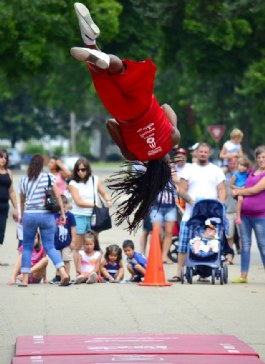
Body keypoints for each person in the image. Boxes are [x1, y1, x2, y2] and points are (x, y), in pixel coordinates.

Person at [70, 2, 180, 232]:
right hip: (123, 114)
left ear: (166, 165)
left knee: (120, 68)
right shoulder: (133, 155)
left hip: (144, 105)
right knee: (101, 76)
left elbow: (168, 107)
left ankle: (105, 58)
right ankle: (92, 49)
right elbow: (110, 124)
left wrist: (166, 124)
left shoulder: (172, 141)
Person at [169, 143, 226, 282]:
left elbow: (222, 190)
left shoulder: (216, 170)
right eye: (201, 151)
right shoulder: (189, 170)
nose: (203, 154)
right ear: (196, 152)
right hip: (190, 214)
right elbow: (181, 190)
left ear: (209, 153)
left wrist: (219, 204)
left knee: (207, 244)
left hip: (211, 217)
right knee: (183, 244)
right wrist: (195, 203)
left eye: (206, 152)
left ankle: (204, 273)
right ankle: (179, 272)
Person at [19, 154, 69, 286]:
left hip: (29, 215)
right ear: (42, 165)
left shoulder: (24, 180)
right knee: (50, 247)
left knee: (27, 247)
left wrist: (22, 215)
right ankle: (63, 273)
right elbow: (58, 196)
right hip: (46, 216)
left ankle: (24, 280)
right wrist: (62, 213)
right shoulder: (49, 177)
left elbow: (22, 200)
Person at [68, 157, 111, 271]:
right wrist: (94, 205)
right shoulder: (73, 183)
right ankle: (79, 271)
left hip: (93, 216)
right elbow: (78, 202)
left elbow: (103, 193)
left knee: (93, 244)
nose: (80, 172)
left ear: (88, 170)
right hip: (78, 215)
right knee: (78, 246)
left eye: (83, 169)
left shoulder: (94, 180)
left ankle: (95, 271)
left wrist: (108, 200)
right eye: (78, 170)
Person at [232, 145, 265, 283]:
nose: (261, 159)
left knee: (262, 244)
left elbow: (254, 190)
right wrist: (237, 191)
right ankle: (243, 276)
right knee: (245, 245)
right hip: (244, 215)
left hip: (260, 216)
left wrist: (239, 192)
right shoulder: (251, 172)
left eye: (264, 157)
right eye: (259, 157)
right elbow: (243, 184)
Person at [50, 195, 77, 284]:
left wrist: (73, 241)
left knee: (66, 260)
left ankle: (67, 276)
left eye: (64, 207)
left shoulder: (70, 216)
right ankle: (58, 276)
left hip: (67, 243)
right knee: (57, 260)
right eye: (60, 207)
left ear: (67, 205)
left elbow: (73, 228)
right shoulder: (53, 216)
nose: (62, 209)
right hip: (56, 243)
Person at [0, 149, 18, 266]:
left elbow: (11, 191)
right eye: (1, 157)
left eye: (5, 158)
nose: (3, 160)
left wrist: (16, 208)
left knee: (0, 231)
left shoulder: (8, 172)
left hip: (4, 206)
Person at [224, 157, 240, 258]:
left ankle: (243, 255)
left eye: (234, 163)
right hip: (228, 209)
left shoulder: (242, 175)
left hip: (240, 210)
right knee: (229, 235)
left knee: (241, 235)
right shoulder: (224, 174)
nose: (232, 165)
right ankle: (230, 255)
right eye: (230, 163)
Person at [230, 156, 251, 224]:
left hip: (244, 189)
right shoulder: (235, 175)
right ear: (237, 165)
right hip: (238, 189)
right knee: (240, 199)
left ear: (247, 168)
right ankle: (238, 216)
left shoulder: (247, 174)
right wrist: (238, 188)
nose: (242, 167)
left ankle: (247, 214)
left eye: (244, 166)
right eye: (241, 165)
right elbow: (231, 185)